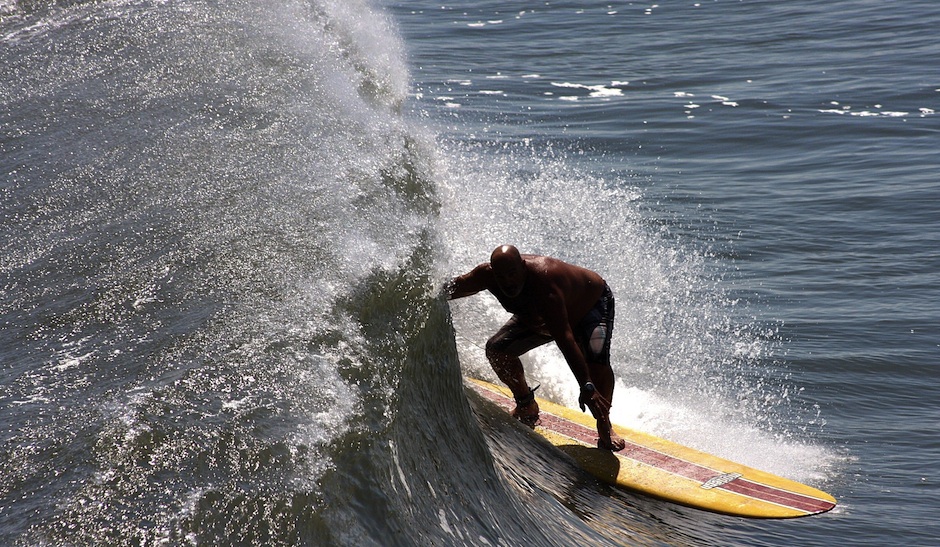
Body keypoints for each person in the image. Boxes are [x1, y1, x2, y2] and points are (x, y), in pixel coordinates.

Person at [448, 245, 626, 451]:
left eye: (512, 274)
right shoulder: (486, 275)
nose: (507, 282)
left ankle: (605, 424)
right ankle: (526, 405)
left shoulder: (545, 286)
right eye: (501, 276)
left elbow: (565, 338)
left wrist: (586, 385)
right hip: (541, 318)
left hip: (590, 305)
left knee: (596, 362)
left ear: (523, 267)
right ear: (493, 273)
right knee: (498, 351)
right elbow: (455, 287)